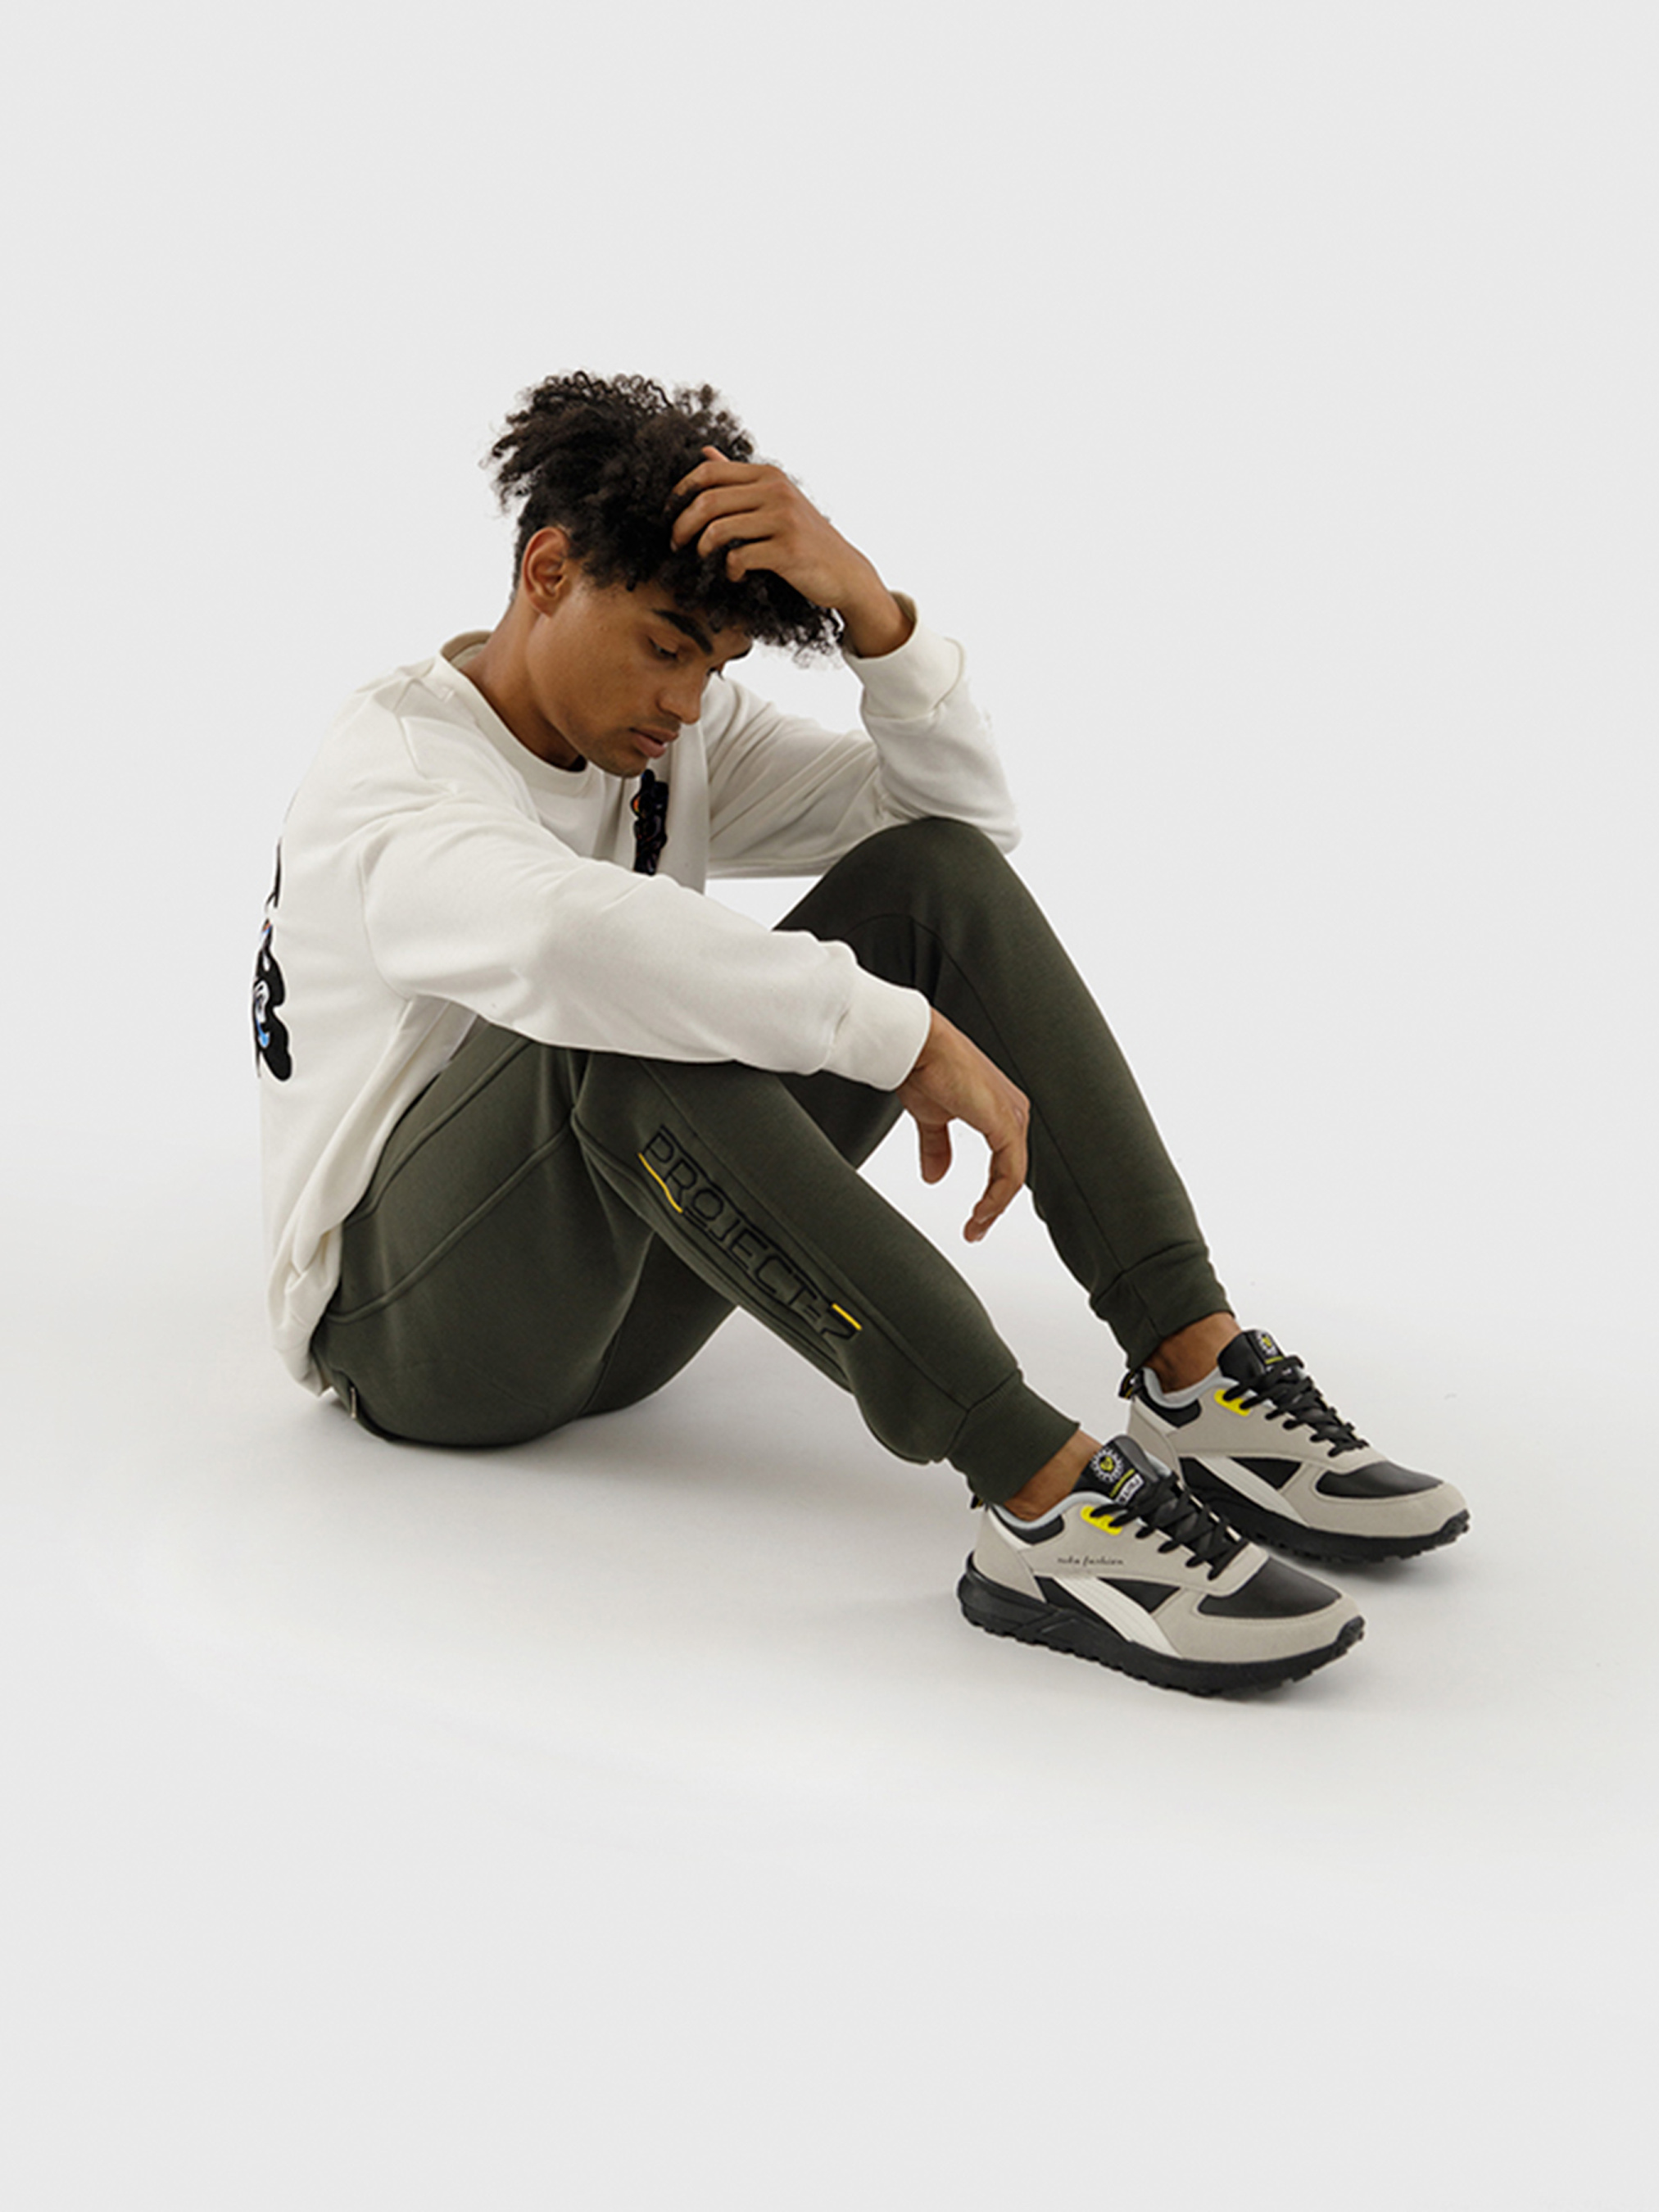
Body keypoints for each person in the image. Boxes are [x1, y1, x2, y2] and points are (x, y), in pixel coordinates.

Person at [256, 372, 1467, 1698]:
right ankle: (1044, 1503)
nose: (686, 702)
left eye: (714, 668)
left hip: (631, 1290)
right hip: (421, 1343)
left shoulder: (660, 734)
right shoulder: (396, 780)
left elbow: (951, 821)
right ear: (547, 572)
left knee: (930, 881)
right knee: (602, 1020)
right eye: (665, 647)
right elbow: (563, 948)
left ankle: (1195, 1370)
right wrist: (897, 1037)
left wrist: (874, 616)